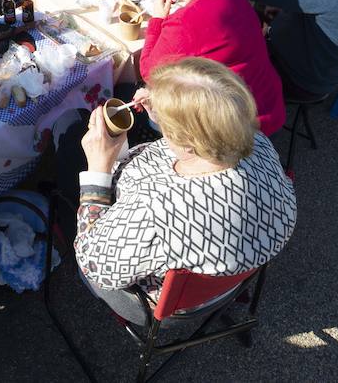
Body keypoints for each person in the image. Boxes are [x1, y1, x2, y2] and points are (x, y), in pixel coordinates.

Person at [69, 58, 296, 324]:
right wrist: (168, 106)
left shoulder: (157, 209)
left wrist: (99, 167)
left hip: (162, 306)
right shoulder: (259, 144)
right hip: (234, 278)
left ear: (188, 143)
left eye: (167, 126)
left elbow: (94, 266)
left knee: (70, 143)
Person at [137, 0, 285, 134]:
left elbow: (150, 72)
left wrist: (158, 19)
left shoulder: (186, 22)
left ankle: (154, 140)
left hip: (239, 120)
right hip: (266, 95)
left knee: (156, 98)